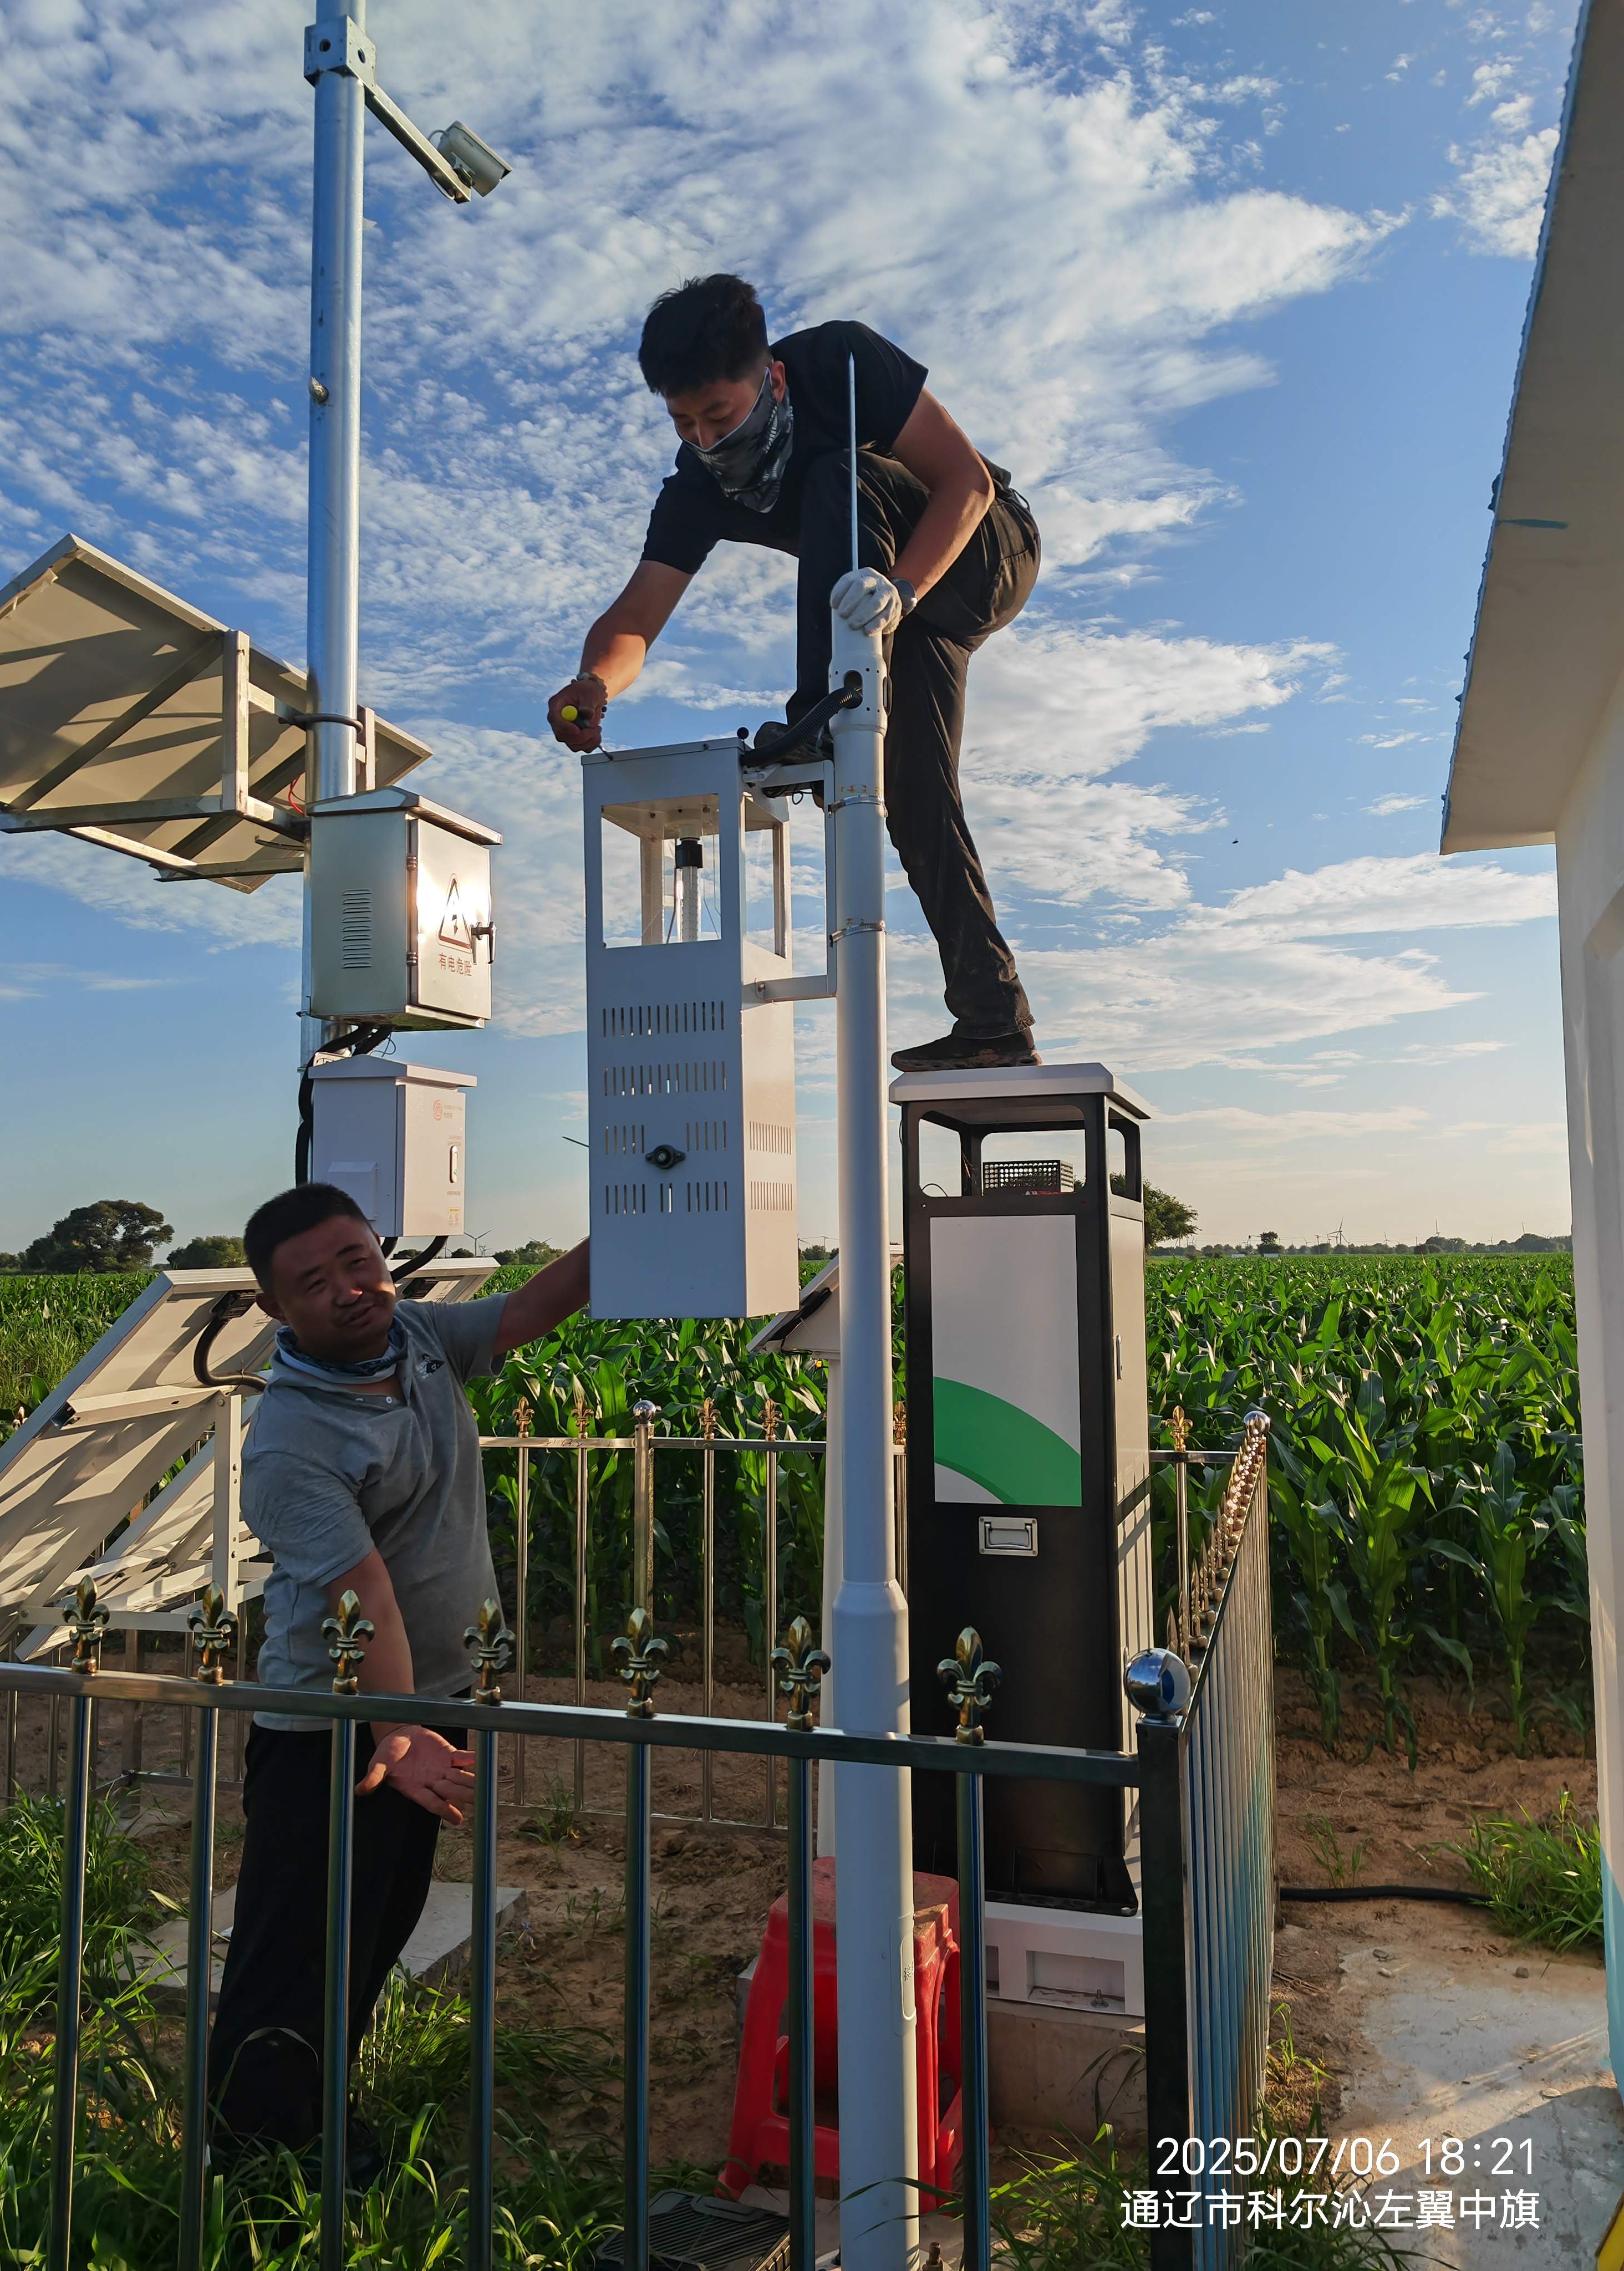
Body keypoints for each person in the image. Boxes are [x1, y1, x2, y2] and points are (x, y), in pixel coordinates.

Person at [547, 273, 1041, 1073]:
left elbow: (968, 483)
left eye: (719, 414)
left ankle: (820, 710)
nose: (706, 440)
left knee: (836, 479)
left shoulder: (839, 363)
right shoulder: (698, 486)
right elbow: (637, 614)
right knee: (913, 791)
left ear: (770, 377)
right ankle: (995, 1022)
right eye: (683, 423)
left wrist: (902, 592)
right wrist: (595, 684)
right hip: (880, 609)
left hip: (983, 551)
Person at [206, 1183, 588, 2170]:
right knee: (297, 1946)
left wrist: (645, 1209)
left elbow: (531, 1310)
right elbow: (361, 1588)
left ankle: (318, 2120)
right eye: (313, 1282)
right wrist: (396, 1731)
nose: (347, 1289)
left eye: (356, 1260)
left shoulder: (415, 1337)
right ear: (274, 1309)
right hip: (337, 1728)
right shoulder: (292, 1439)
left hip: (420, 1709)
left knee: (377, 1926)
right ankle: (253, 2157)